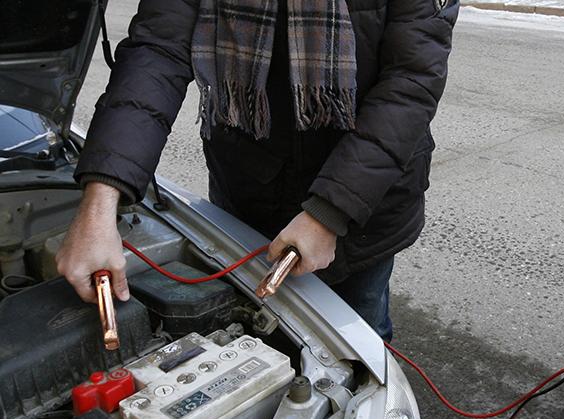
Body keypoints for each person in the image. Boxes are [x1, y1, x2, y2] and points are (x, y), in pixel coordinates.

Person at [55, 0, 459, 342]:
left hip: (363, 209)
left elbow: (412, 80)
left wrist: (330, 213)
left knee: (358, 343)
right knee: (252, 339)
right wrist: (99, 203)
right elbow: (158, 51)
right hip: (246, 191)